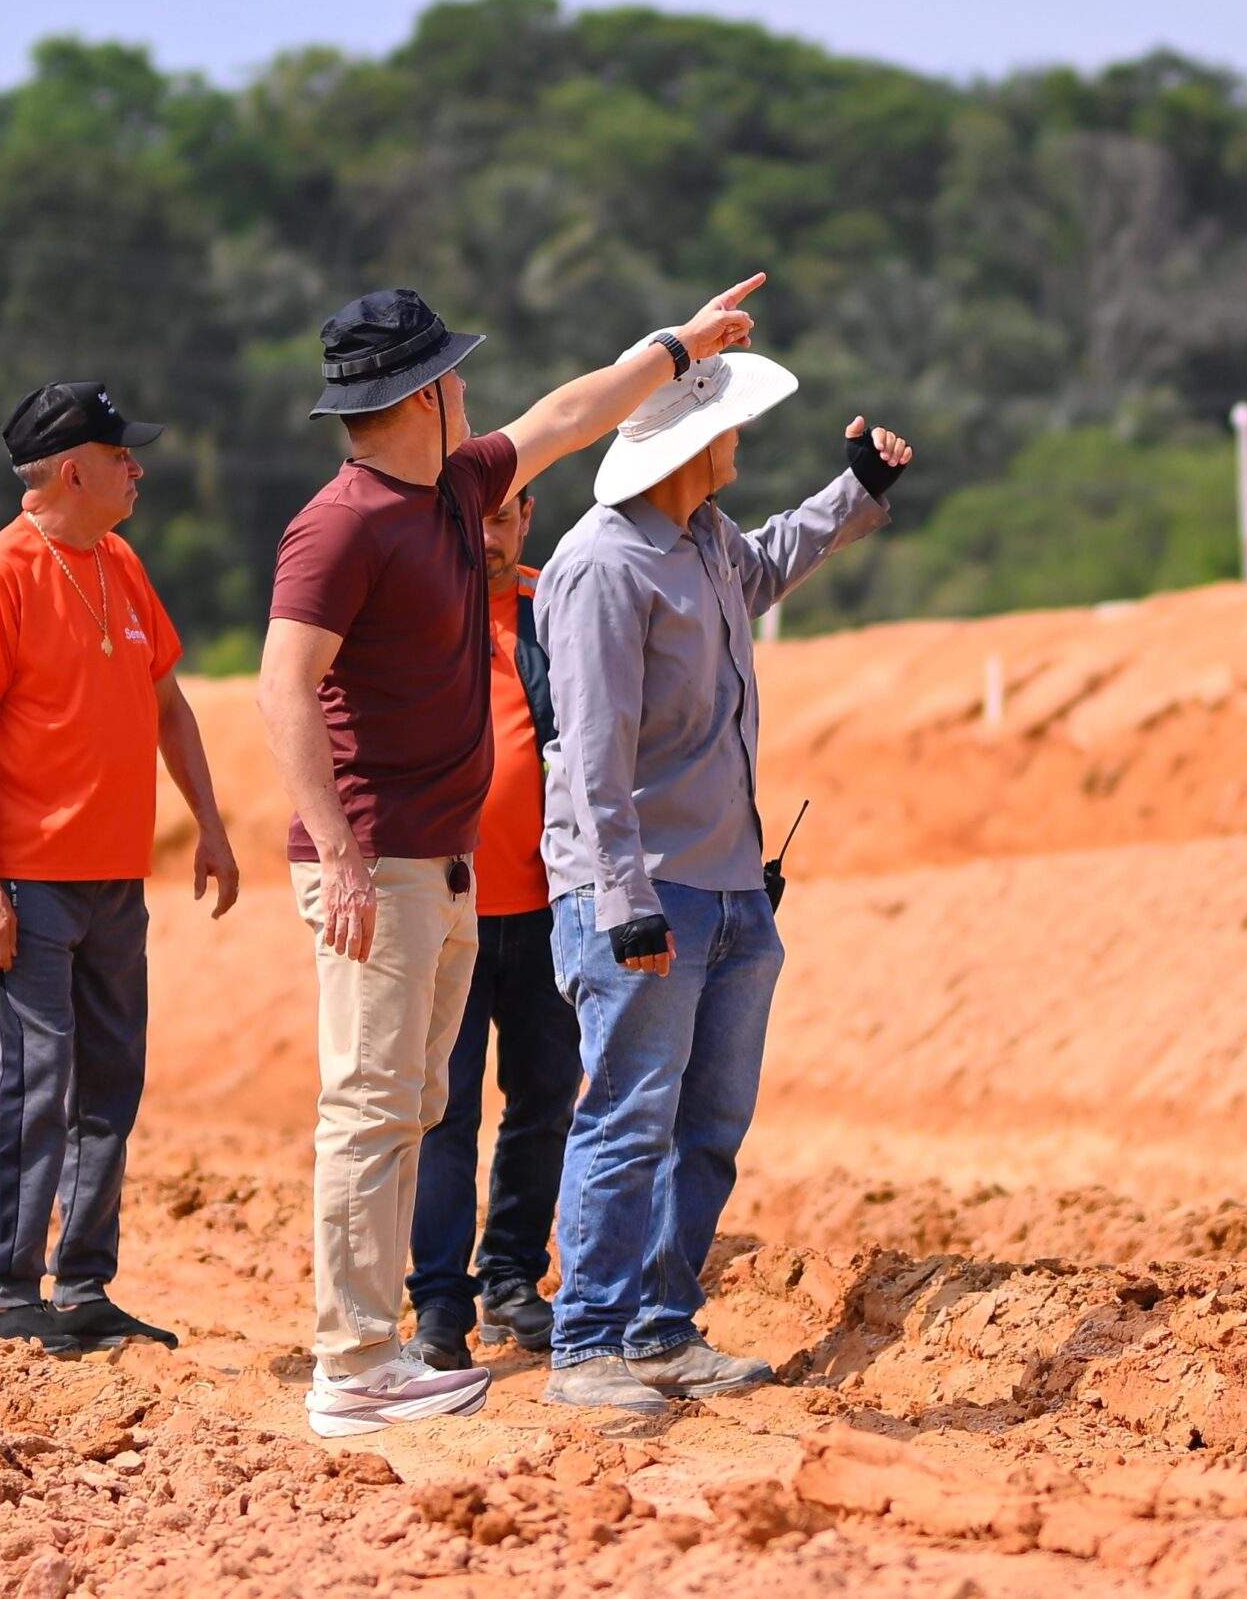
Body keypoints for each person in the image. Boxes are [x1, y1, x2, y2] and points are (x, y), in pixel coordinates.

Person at [257, 277, 763, 1438]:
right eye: (457, 380)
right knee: (373, 1105)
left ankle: (379, 1347)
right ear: (424, 396)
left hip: (438, 863)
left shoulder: (453, 486)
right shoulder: (340, 524)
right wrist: (336, 847)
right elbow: (283, 683)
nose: (474, 395)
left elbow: (570, 414)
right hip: (373, 860)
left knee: (414, 1100)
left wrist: (679, 345)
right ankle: (355, 1362)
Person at [537, 342, 912, 1410]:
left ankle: (659, 1330)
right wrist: (624, 903)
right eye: (732, 425)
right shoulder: (604, 566)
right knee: (626, 1116)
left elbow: (771, 560)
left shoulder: (701, 540)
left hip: (730, 886)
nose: (741, 440)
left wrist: (858, 493)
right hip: (644, 894)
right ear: (693, 441)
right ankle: (586, 1348)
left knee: (706, 1124)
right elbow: (593, 755)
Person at [0, 380, 241, 1358]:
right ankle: (13, 1290)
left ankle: (83, 1285)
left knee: (111, 1082)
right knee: (38, 1082)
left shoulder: (119, 560)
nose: (137, 468)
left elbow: (169, 707)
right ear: (74, 469)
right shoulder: (0, 575)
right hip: (28, 884)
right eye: (122, 456)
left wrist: (211, 824)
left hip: (115, 881)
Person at [402, 482, 582, 1372]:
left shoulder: (559, 607)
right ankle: (439, 1301)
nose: (492, 532)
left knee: (545, 1100)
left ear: (528, 517)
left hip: (552, 911)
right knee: (446, 1111)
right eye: (476, 515)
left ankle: (512, 1276)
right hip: (447, 909)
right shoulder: (419, 616)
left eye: (507, 514)